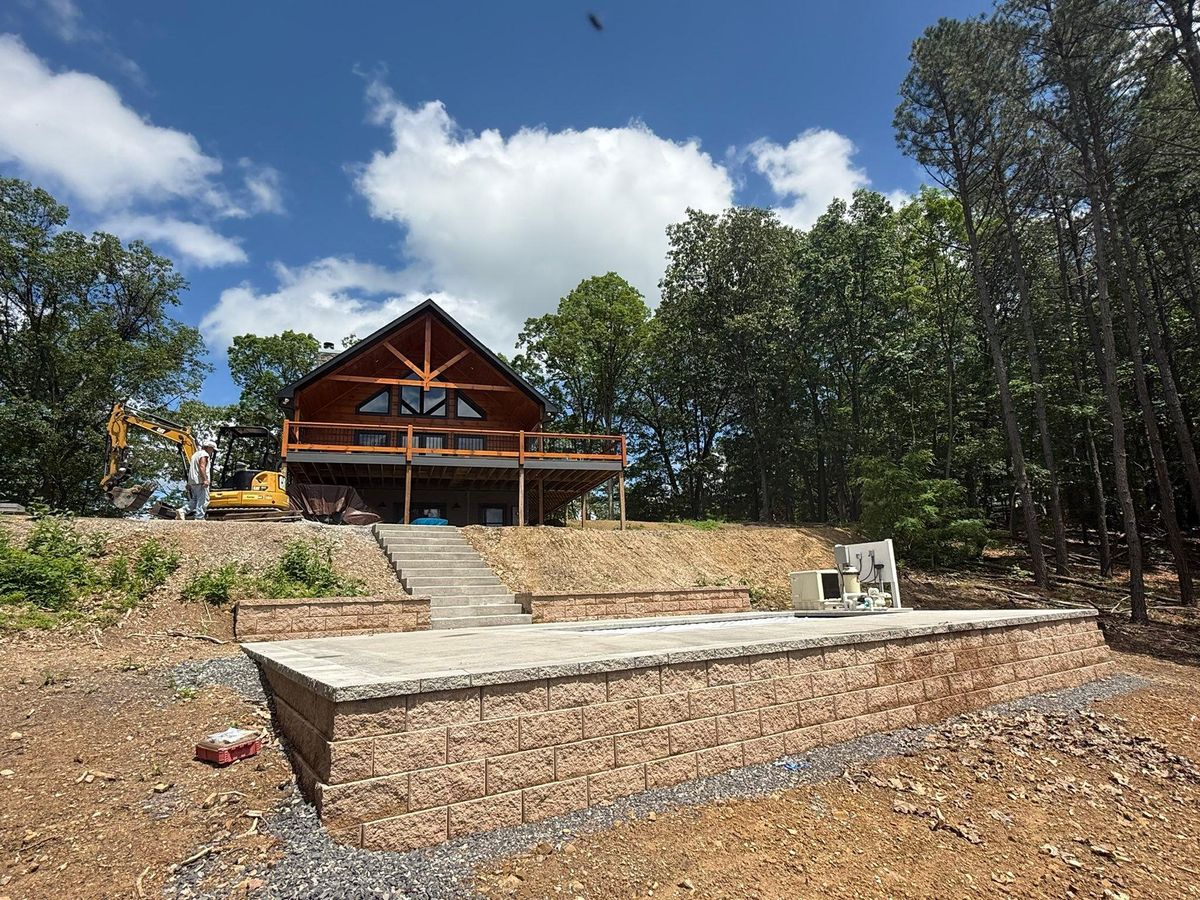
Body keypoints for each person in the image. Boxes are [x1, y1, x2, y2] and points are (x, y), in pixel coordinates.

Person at [184, 438, 218, 520]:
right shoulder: (204, 455)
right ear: (208, 447)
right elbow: (202, 467)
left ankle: (182, 511)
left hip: (193, 481)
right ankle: (199, 518)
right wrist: (205, 480)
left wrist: (189, 483)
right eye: (212, 449)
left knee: (195, 500)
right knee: (203, 500)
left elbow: (192, 468)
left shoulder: (195, 455)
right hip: (200, 481)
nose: (212, 451)